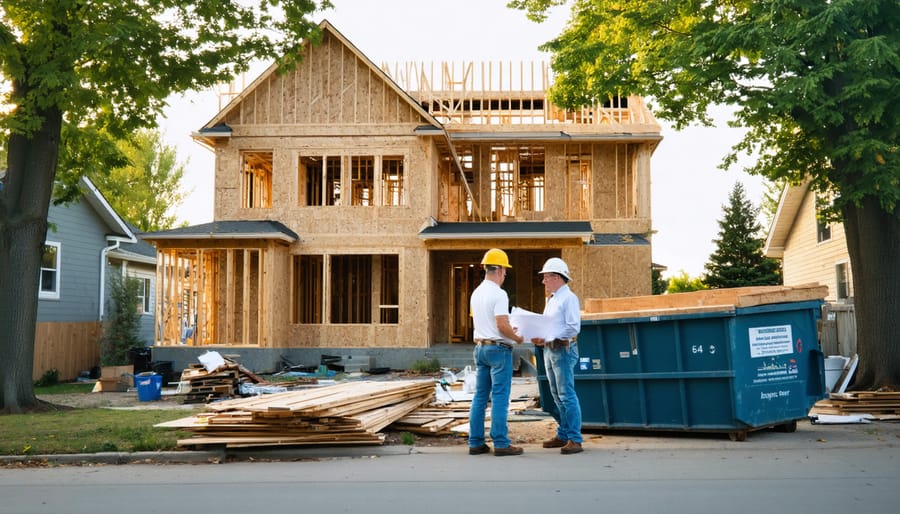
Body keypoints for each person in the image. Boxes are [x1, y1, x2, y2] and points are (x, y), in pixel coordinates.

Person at [468, 248, 526, 457]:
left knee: (480, 396)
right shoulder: (499, 294)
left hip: (480, 348)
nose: (504, 276)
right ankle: (501, 443)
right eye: (505, 272)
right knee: (501, 396)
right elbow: (502, 325)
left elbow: (487, 322)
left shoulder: (476, 293)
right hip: (499, 350)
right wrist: (517, 337)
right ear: (500, 270)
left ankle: (475, 442)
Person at [531, 257, 584, 454]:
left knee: (566, 395)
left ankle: (575, 439)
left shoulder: (568, 298)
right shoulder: (553, 299)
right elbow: (549, 326)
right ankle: (564, 434)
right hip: (551, 349)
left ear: (557, 278)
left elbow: (572, 328)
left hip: (562, 350)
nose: (543, 281)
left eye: (546, 277)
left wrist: (547, 336)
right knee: (556, 394)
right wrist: (541, 337)